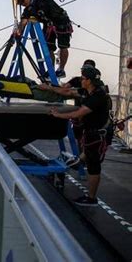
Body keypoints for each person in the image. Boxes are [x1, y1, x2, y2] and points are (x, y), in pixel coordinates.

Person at [47, 66, 111, 206]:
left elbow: (78, 113)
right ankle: (79, 161)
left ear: (89, 81)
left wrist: (58, 115)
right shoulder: (89, 91)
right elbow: (69, 92)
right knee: (83, 158)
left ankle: (91, 198)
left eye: (83, 79)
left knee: (94, 167)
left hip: (97, 136)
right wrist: (49, 88)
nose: (80, 80)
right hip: (91, 134)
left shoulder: (97, 96)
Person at [15, 0, 73, 79]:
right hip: (48, 25)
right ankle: (51, 70)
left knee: (63, 46)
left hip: (61, 21)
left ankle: (61, 70)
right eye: (20, 3)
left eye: (22, 1)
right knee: (48, 48)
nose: (22, 4)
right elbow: (23, 23)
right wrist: (17, 32)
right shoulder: (27, 10)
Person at [0, 59, 69, 102]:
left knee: (56, 96)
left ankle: (81, 95)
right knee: (54, 91)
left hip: (22, 89)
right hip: (20, 82)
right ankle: (78, 91)